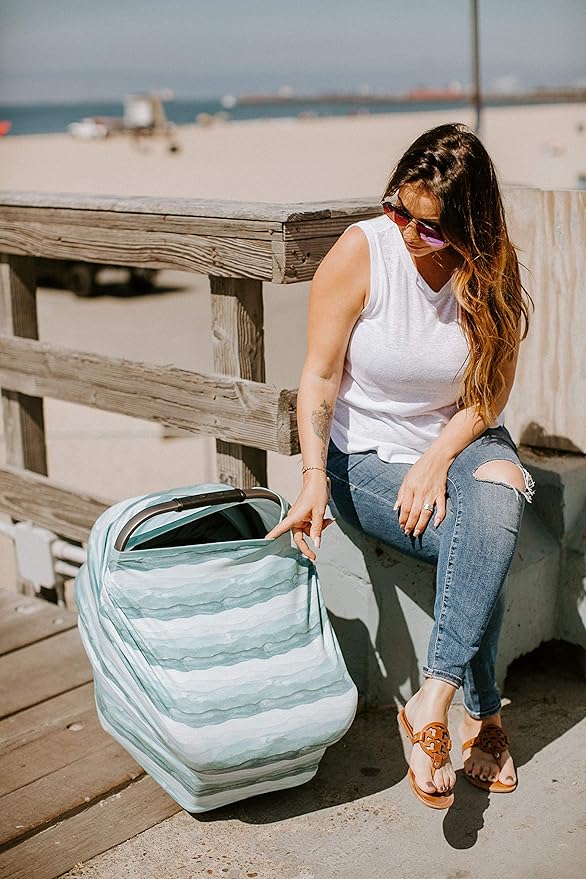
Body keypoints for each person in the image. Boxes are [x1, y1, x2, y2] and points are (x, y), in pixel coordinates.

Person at [264, 122, 535, 810]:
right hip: (363, 458)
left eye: (432, 228)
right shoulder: (363, 253)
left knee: (500, 491)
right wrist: (314, 477)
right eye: (399, 211)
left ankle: (432, 698)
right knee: (480, 539)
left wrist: (439, 456)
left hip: (459, 438)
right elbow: (319, 376)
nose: (410, 233)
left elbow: (491, 393)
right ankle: (486, 715)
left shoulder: (491, 268)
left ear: (470, 228)